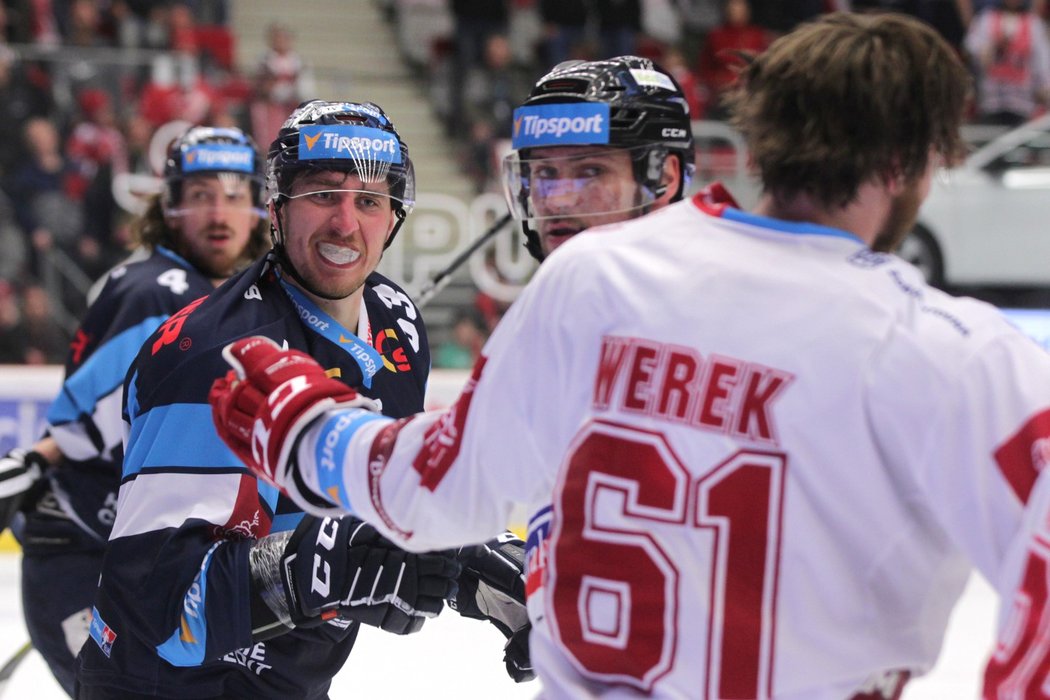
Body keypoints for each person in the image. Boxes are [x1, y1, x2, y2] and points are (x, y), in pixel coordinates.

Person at [208, 14, 1050, 697]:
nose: (564, 208)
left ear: (738, 155)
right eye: (549, 177)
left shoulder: (592, 281)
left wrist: (307, 429)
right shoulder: (963, 354)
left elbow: (428, 489)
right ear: (914, 166)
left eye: (592, 177)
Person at [75, 100, 530, 699]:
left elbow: (379, 495)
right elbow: (159, 612)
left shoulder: (397, 325)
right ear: (277, 206)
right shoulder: (212, 356)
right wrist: (321, 569)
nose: (346, 224)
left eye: (369, 200)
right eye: (322, 194)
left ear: (393, 216)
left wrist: (461, 554)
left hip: (290, 683)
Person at [0, 125, 269, 697]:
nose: (218, 212)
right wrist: (41, 456)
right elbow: (80, 425)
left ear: (259, 207)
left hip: (146, 566)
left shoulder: (239, 296)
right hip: (85, 552)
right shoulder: (160, 291)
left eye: (234, 195)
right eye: (199, 195)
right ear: (170, 206)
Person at [501, 54, 696, 262]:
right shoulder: (541, 293)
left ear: (665, 178)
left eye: (591, 171)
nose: (557, 201)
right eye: (546, 172)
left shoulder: (716, 289)